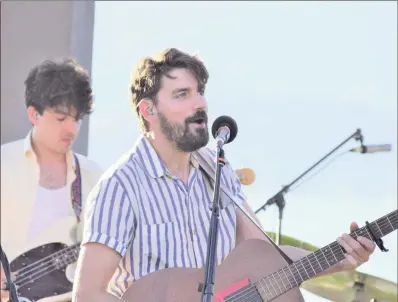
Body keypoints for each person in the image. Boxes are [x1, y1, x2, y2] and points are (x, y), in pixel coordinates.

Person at [72, 48, 376, 301]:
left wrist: (337, 258)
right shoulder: (120, 186)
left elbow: (265, 259)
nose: (200, 103)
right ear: (148, 111)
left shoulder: (215, 167)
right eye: (182, 94)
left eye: (200, 92)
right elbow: (87, 294)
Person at [0, 58, 103, 302]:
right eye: (61, 118)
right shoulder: (3, 162)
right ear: (34, 114)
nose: (72, 129)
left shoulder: (94, 175)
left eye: (77, 119)